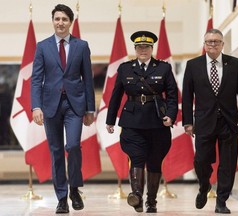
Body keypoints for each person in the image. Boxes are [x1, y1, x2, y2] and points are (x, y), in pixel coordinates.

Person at [31, 4, 95, 214]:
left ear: (71, 22)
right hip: (50, 106)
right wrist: (36, 106)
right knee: (56, 152)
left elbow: (88, 78)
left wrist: (90, 109)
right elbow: (36, 79)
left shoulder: (81, 46)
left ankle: (74, 188)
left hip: (74, 104)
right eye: (57, 19)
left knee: (73, 146)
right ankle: (61, 197)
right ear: (53, 21)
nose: (60, 23)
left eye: (64, 19)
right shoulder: (42, 46)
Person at [106, 31, 178, 213]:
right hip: (132, 121)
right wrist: (110, 120)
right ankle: (136, 195)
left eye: (146, 47)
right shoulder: (125, 68)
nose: (143, 50)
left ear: (152, 48)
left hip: (157, 121)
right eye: (139, 47)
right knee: (136, 158)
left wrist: (171, 115)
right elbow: (115, 96)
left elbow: (172, 95)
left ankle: (151, 201)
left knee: (154, 161)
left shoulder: (163, 68)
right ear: (135, 49)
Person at [182, 29, 238, 214]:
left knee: (228, 164)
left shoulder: (234, 64)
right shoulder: (193, 65)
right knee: (201, 160)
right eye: (209, 41)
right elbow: (187, 97)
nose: (212, 44)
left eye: (216, 41)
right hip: (203, 122)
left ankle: (221, 201)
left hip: (229, 122)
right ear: (204, 44)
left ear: (222, 44)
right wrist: (187, 122)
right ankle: (204, 186)